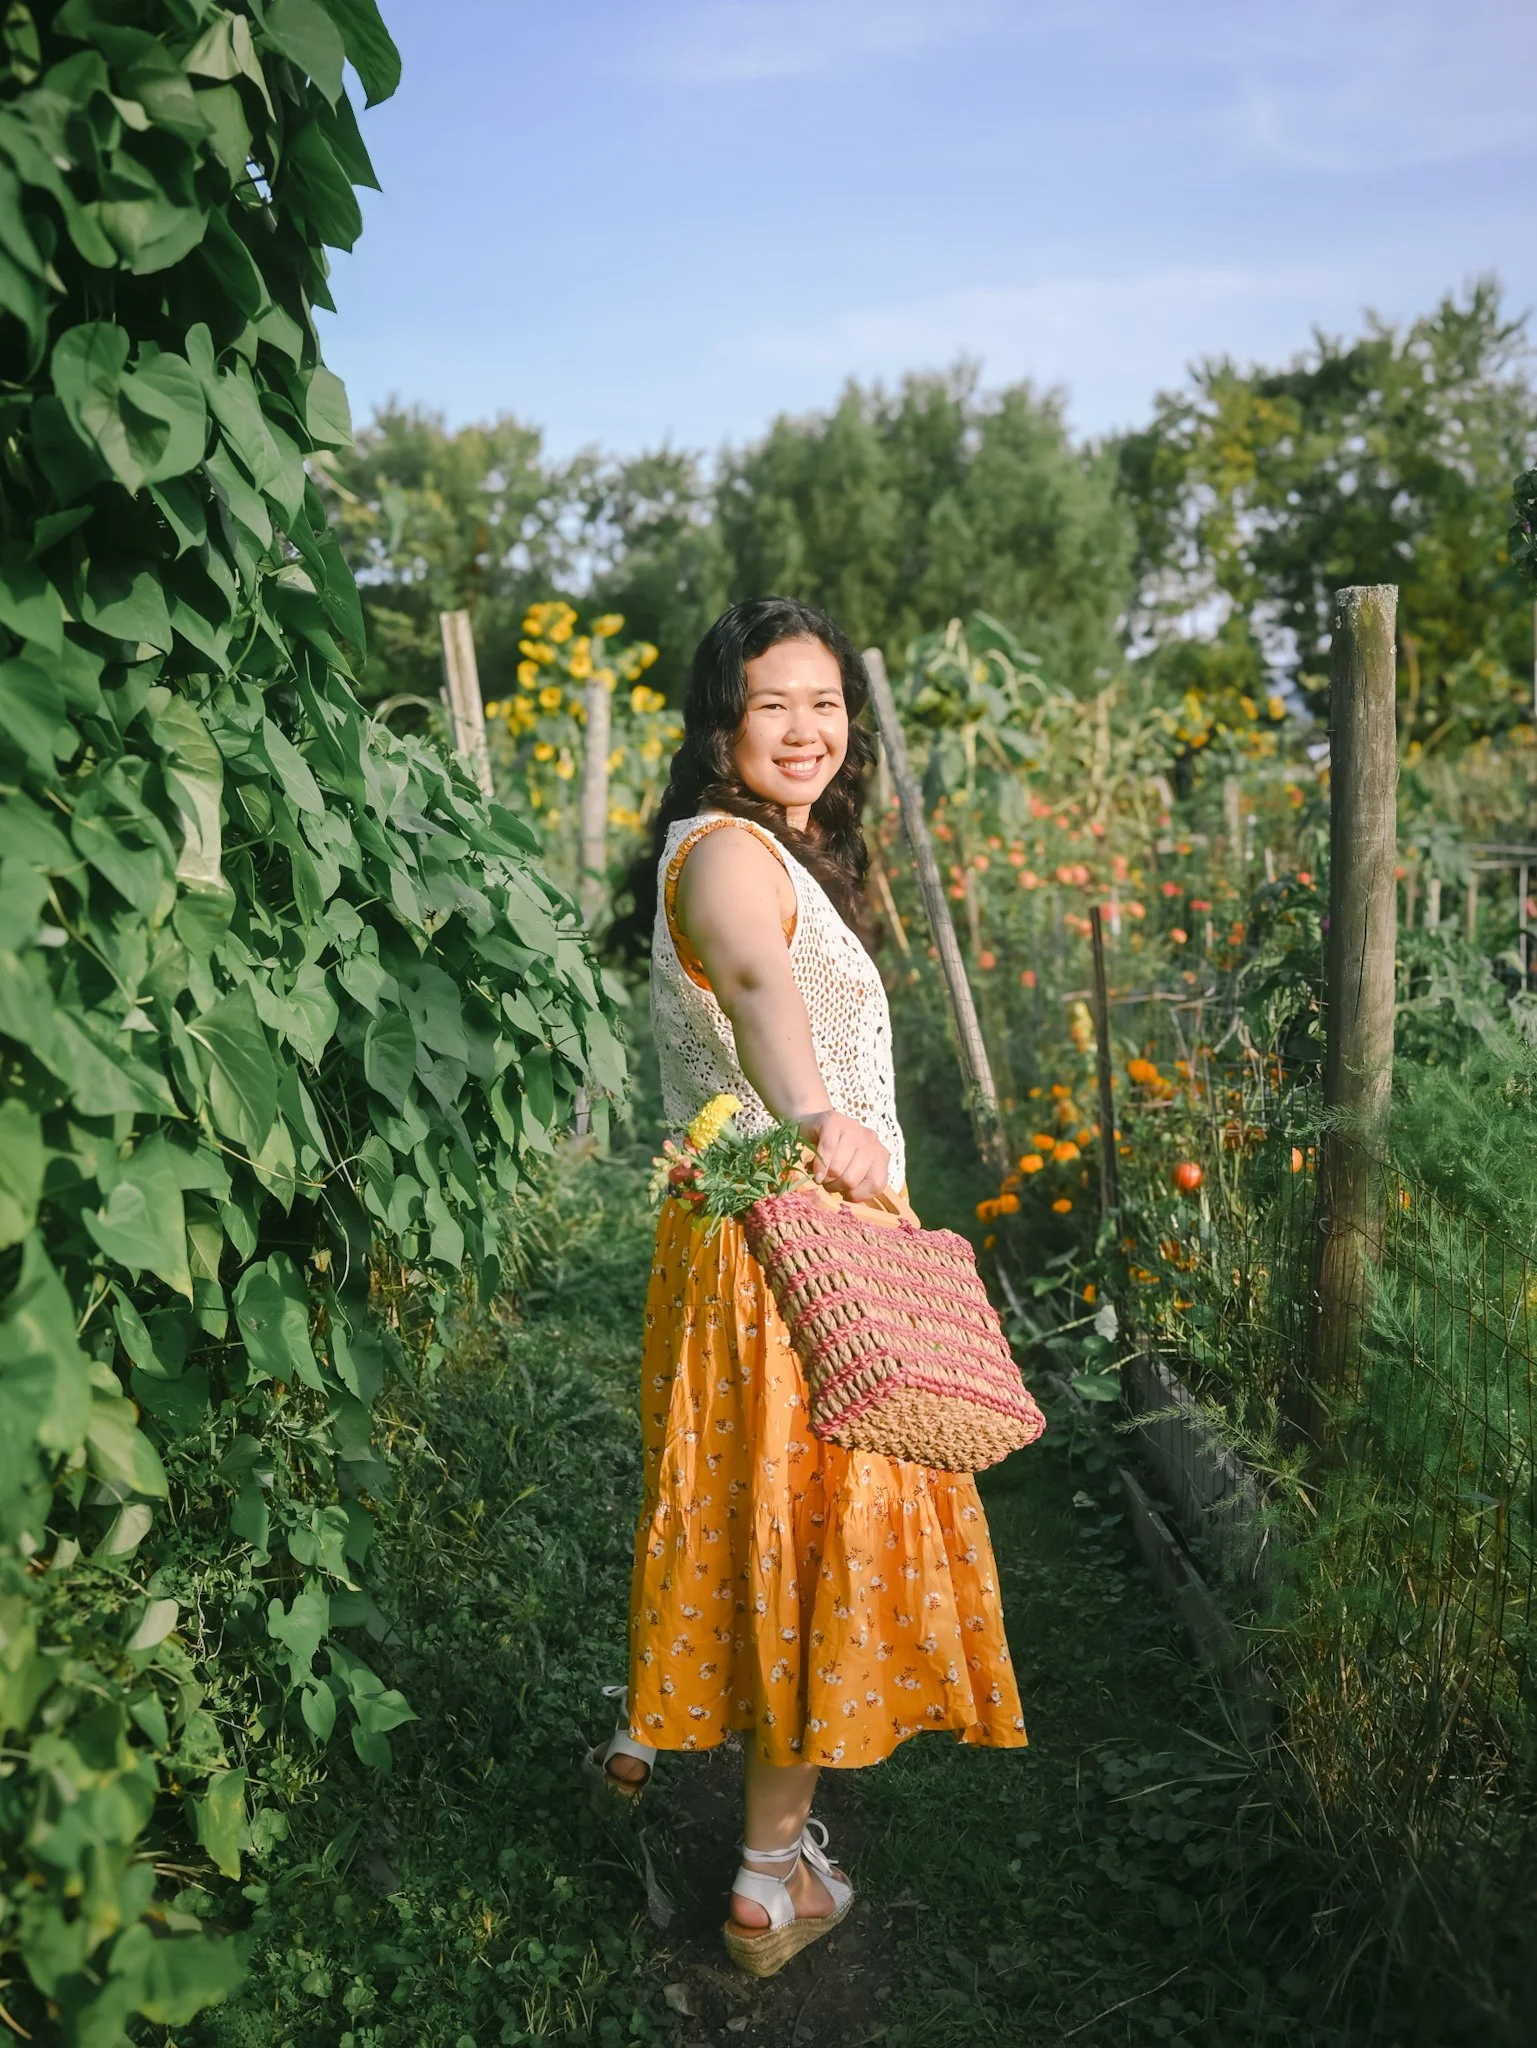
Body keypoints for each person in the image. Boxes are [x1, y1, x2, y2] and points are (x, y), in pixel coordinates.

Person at [595, 596, 1027, 1977]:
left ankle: (651, 1720)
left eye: (826, 702)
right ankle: (771, 1879)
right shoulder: (726, 855)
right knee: (812, 1542)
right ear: (723, 724)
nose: (808, 729)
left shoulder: (773, 848)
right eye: (774, 703)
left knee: (751, 1518)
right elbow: (754, 974)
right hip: (790, 1246)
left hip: (754, 1242)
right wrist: (818, 1116)